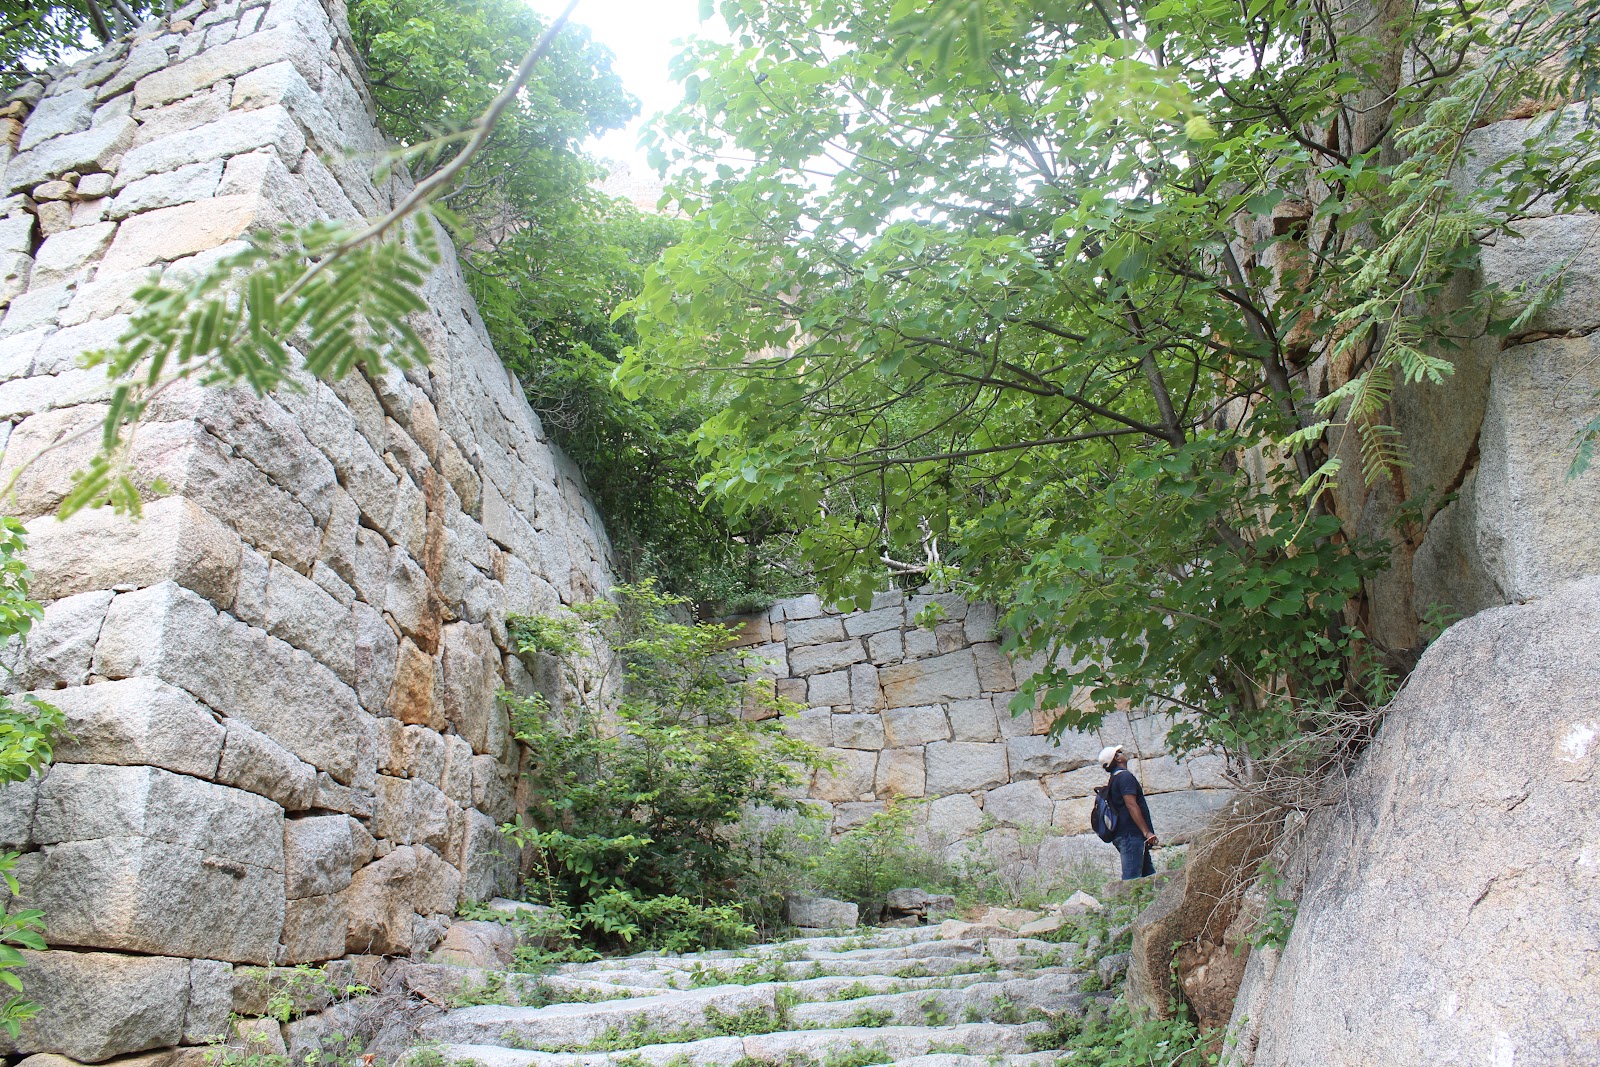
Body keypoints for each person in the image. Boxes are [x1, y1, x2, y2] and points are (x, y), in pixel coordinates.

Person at [1099, 744, 1158, 880]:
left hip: (1128, 836)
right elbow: (1131, 805)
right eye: (1119, 752)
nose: (1122, 753)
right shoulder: (1125, 777)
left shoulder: (1114, 780)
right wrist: (1146, 832)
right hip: (1131, 836)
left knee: (1149, 878)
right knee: (1131, 881)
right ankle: (1126, 902)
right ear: (1118, 759)